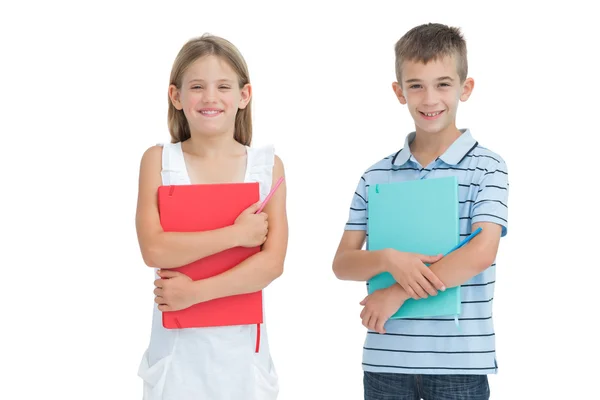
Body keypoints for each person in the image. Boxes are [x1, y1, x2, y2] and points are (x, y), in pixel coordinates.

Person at [332, 23, 509, 400]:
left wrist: (397, 292)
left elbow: (481, 252)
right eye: (416, 85)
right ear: (399, 92)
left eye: (443, 84)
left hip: (459, 365)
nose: (430, 99)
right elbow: (343, 263)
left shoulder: (487, 167)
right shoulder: (375, 175)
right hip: (386, 361)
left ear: (466, 87)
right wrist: (389, 259)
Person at [135, 34, 287, 400]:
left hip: (242, 360)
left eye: (223, 86)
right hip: (176, 356)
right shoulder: (158, 161)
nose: (210, 98)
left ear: (243, 95)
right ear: (176, 96)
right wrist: (236, 235)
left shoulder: (265, 168)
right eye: (197, 87)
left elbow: (271, 264)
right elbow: (155, 250)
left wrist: (195, 293)